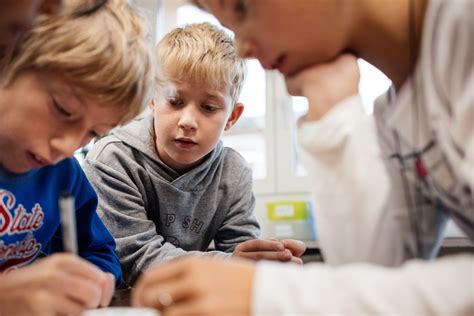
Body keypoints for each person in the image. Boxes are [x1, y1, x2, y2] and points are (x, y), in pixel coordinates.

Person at [131, 0, 474, 315]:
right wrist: (333, 113)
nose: (244, 48)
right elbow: (376, 273)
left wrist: (270, 294)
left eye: (241, 7)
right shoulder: (396, 111)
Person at [84, 22, 306, 286]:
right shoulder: (112, 161)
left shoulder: (233, 172)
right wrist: (229, 264)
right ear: (153, 100)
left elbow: (239, 248)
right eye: (175, 102)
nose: (188, 121)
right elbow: (135, 258)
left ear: (232, 117)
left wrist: (266, 259)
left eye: (209, 107)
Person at [0, 0, 154, 314]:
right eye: (63, 110)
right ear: (7, 59)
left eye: (93, 133)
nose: (67, 146)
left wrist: (92, 282)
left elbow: (100, 254)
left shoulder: (64, 173)